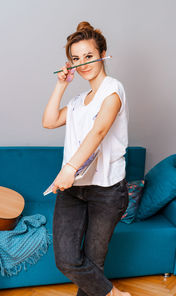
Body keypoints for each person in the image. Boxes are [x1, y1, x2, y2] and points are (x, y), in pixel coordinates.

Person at [42, 21, 131, 296]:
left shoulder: (113, 89)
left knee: (94, 264)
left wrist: (69, 168)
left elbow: (99, 131)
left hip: (106, 191)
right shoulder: (80, 100)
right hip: (73, 190)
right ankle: (114, 294)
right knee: (67, 259)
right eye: (76, 59)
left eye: (88, 56)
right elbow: (49, 121)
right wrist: (61, 85)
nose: (82, 64)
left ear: (103, 53)